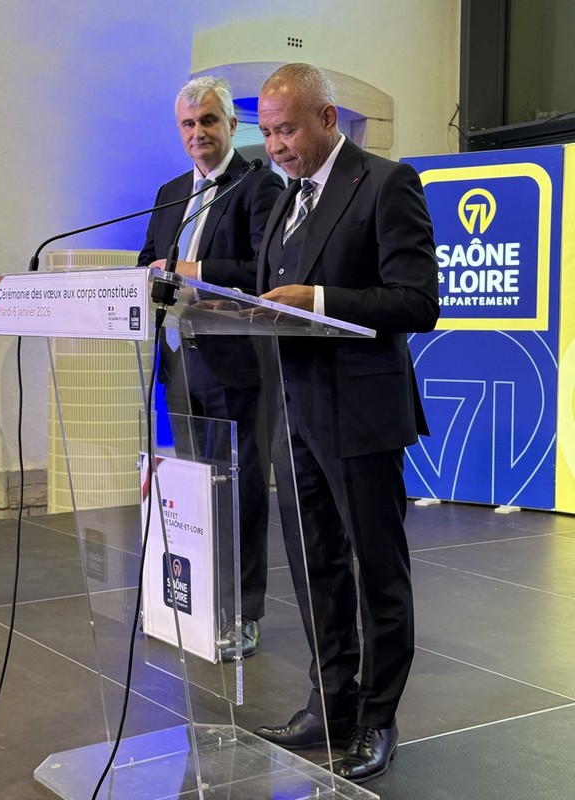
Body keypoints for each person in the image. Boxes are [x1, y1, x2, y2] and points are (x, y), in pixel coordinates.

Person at [252, 63, 439, 783]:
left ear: (328, 119)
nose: (276, 146)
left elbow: (417, 301)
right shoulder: (285, 197)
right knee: (315, 567)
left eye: (287, 130)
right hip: (294, 411)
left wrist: (322, 298)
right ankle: (330, 705)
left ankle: (377, 718)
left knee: (376, 573)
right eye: (268, 132)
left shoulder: (386, 183)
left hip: (361, 413)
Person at [137, 76, 285, 659]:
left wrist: (192, 271)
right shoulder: (171, 191)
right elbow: (149, 260)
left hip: (235, 361)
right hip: (179, 359)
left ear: (231, 125)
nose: (198, 132)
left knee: (241, 489)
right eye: (188, 123)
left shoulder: (258, 183)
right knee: (194, 489)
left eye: (208, 121)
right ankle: (199, 600)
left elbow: (264, 269)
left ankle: (243, 611)